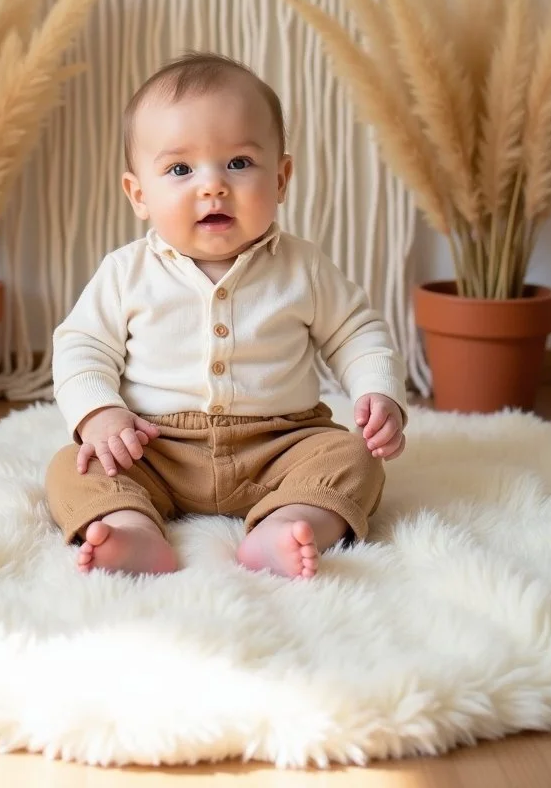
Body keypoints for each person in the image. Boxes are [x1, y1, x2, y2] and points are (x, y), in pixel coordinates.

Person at [46, 52, 407, 580]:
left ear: (281, 178)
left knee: (355, 459)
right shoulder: (126, 272)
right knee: (72, 467)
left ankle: (289, 521)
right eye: (180, 169)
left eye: (238, 163)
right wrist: (99, 414)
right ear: (139, 194)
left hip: (280, 445)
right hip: (155, 447)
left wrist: (377, 392)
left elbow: (357, 332)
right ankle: (131, 530)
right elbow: (81, 347)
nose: (212, 185)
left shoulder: (302, 267)